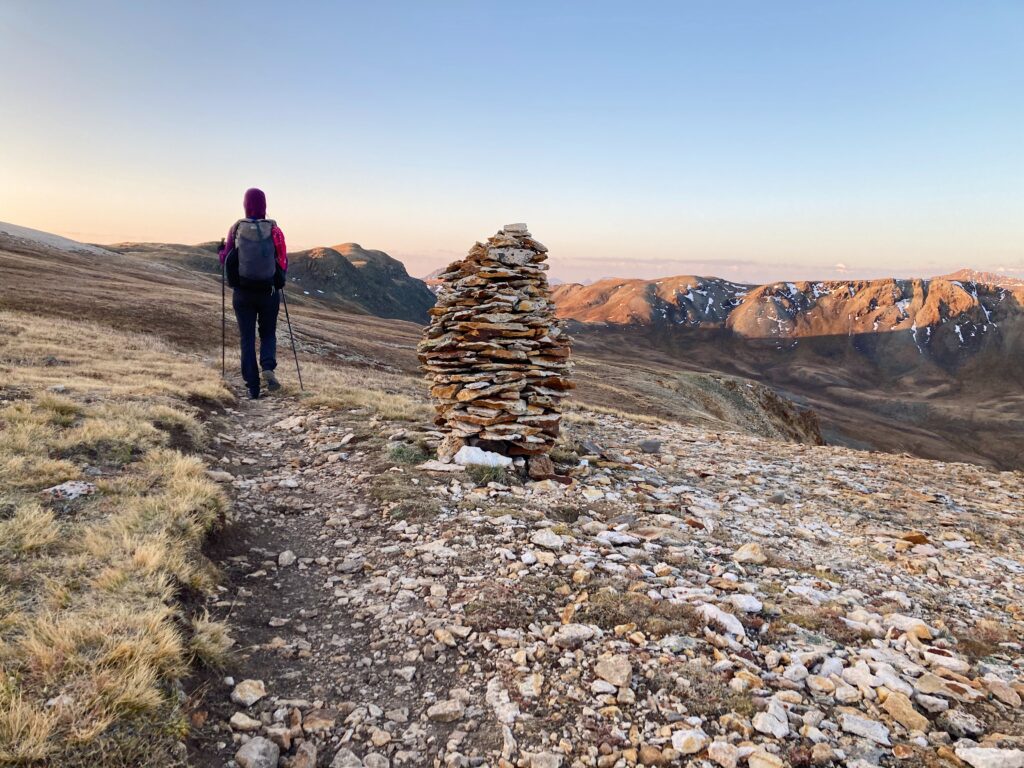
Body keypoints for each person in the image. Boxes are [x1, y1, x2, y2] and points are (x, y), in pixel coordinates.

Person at [219, 188, 288, 399]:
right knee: (268, 333)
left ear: (245, 204)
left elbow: (226, 259)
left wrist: (220, 250)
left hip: (243, 293)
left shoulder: (237, 228)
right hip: (268, 292)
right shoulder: (274, 230)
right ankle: (267, 366)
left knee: (246, 338)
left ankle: (253, 387)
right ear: (264, 205)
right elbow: (283, 260)